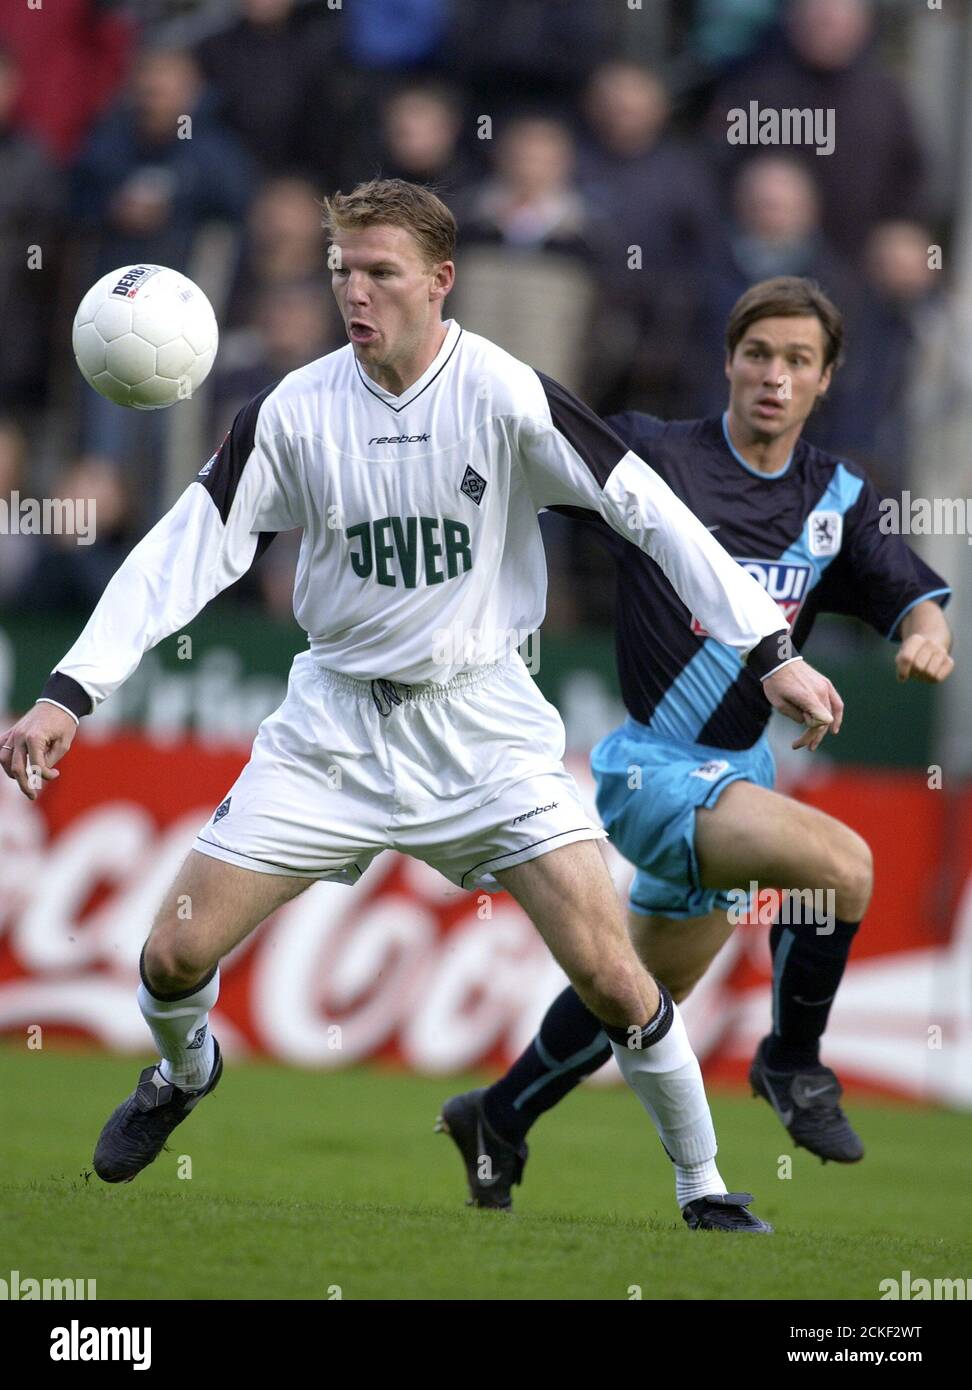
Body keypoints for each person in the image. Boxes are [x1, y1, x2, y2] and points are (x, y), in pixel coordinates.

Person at [1, 183, 842, 1235]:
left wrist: (769, 648)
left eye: (381, 271)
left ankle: (705, 1187)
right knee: (173, 955)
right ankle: (183, 1074)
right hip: (334, 732)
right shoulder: (292, 411)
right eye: (342, 268)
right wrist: (67, 693)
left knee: (614, 975)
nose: (355, 290)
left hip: (484, 728)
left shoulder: (502, 392)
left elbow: (654, 515)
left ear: (442, 281)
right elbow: (181, 554)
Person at [438, 276, 952, 1210]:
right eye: (758, 354)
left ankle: (498, 1119)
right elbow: (524, 469)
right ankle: (793, 1064)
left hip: (742, 773)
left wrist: (927, 634)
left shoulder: (837, 496)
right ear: (728, 361)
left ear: (826, 379)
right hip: (652, 769)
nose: (774, 376)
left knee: (628, 991)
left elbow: (909, 594)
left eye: (799, 361)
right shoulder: (652, 454)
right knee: (842, 865)